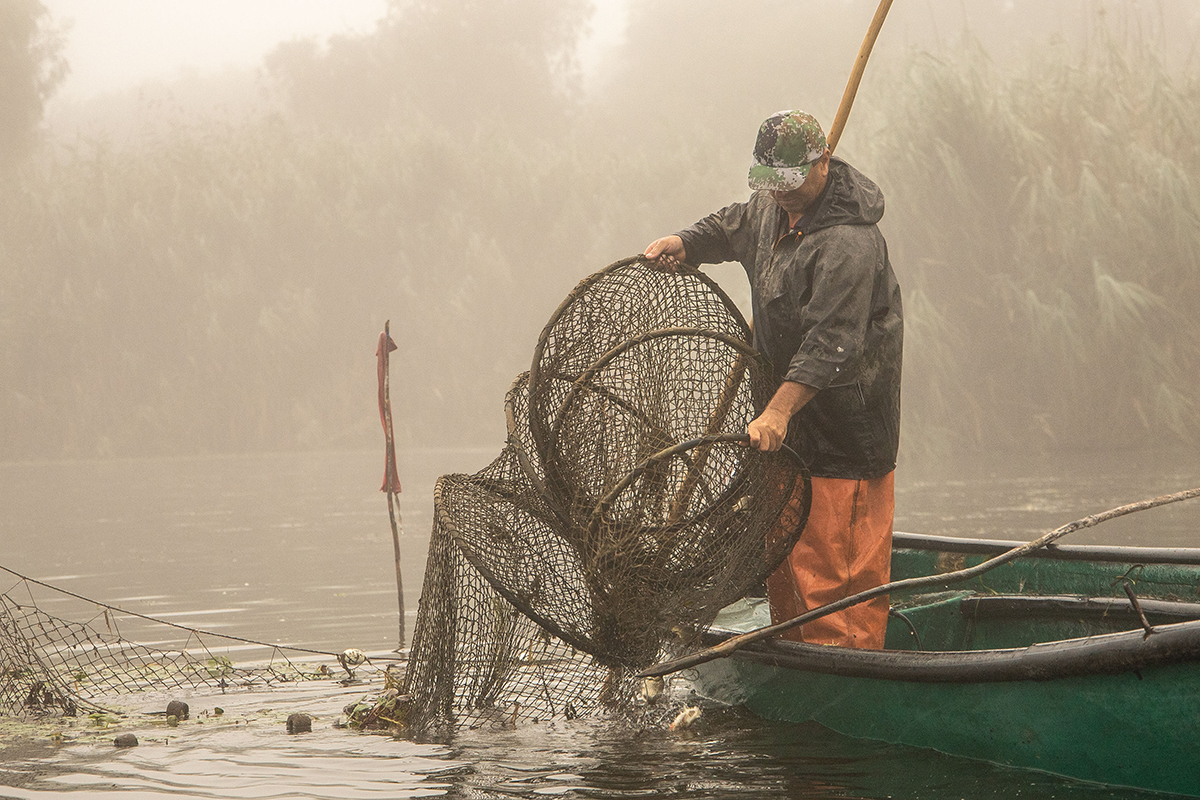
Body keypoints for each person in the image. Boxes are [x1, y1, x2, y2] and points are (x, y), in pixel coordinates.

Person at [643, 110, 902, 648]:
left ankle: (845, 668)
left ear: (823, 161)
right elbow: (729, 227)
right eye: (770, 182)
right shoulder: (770, 208)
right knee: (785, 552)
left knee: (836, 571)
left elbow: (833, 344)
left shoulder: (848, 245)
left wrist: (780, 410)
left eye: (789, 181)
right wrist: (686, 243)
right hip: (782, 430)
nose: (778, 193)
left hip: (843, 432)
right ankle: (795, 656)